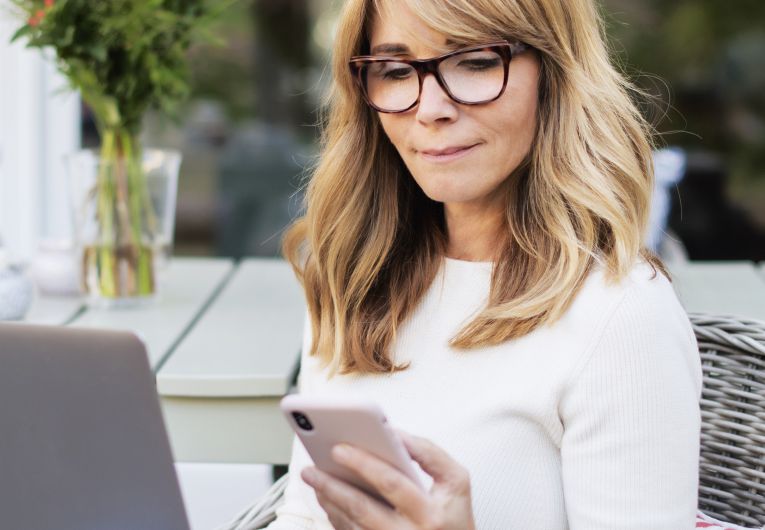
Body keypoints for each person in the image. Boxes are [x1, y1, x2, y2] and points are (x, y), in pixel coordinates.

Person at [269, 0, 702, 527]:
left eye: (475, 62)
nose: (430, 108)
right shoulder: (357, 277)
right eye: (396, 70)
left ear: (555, 74)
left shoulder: (620, 316)